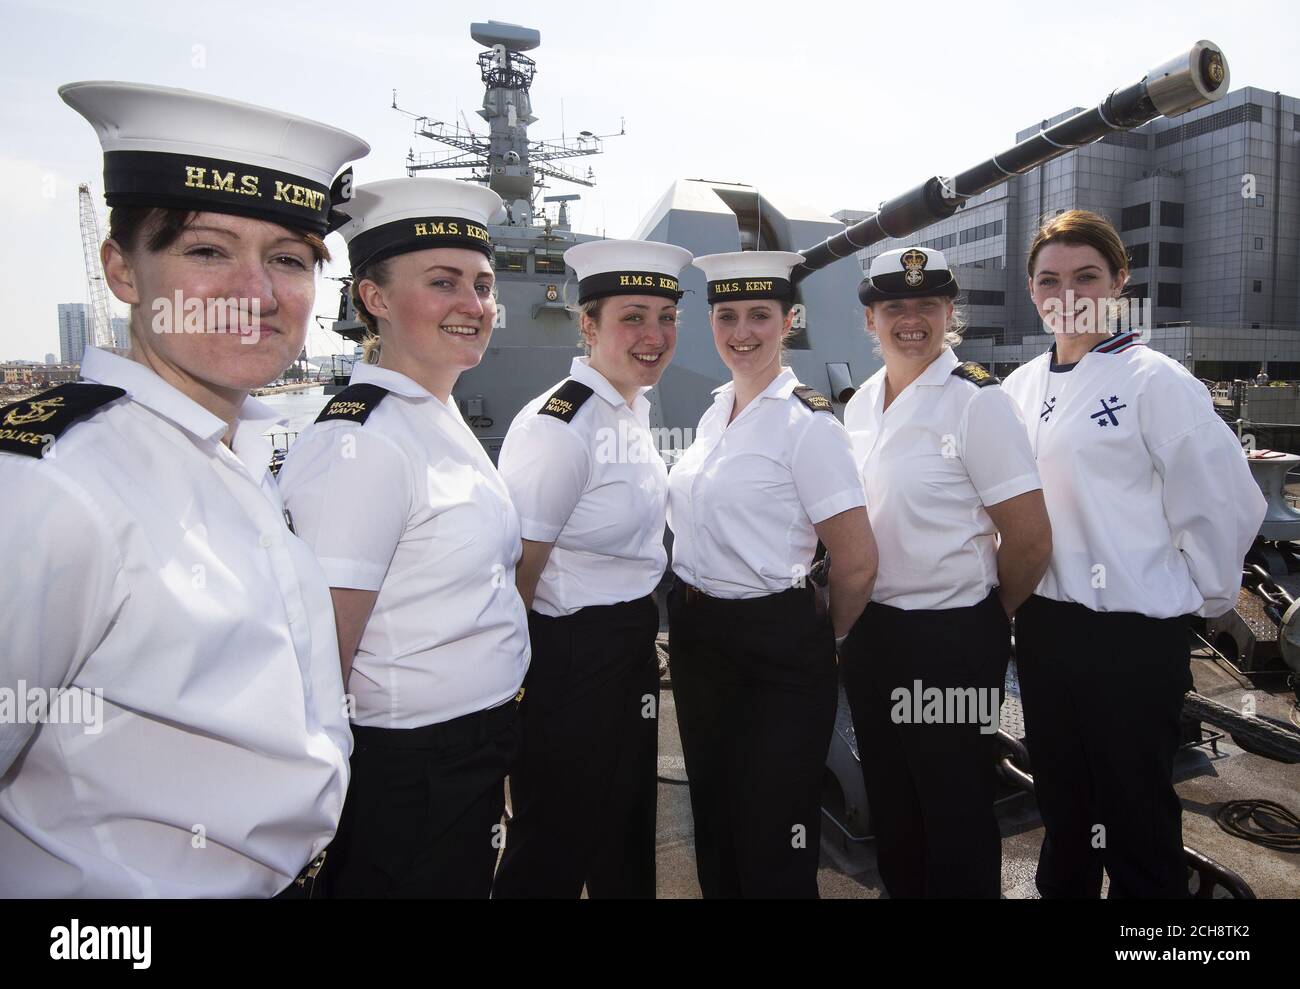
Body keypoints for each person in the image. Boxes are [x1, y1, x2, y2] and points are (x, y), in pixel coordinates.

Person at [0, 81, 368, 897]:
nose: (260, 294)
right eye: (207, 251)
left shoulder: (231, 454)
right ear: (120, 270)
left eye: (289, 258)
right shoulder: (54, 487)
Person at [1001, 209, 1267, 898]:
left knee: (1137, 820)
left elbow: (1226, 503)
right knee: (1063, 811)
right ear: (1033, 292)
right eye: (1050, 279)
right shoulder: (1020, 388)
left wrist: (1195, 596)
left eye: (1087, 275)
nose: (1069, 293)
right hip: (1045, 628)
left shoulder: (1156, 381)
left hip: (1129, 636)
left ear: (1120, 279)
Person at [276, 177, 529, 898]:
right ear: (374, 299)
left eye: (482, 285)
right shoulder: (366, 444)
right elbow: (322, 658)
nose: (474, 306)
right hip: (409, 771)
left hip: (462, 757)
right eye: (443, 282)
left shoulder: (432, 416)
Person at [840, 246, 1053, 898]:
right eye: (895, 306)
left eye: (926, 305)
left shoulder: (975, 402)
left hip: (950, 638)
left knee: (953, 810)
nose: (912, 319)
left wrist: (986, 617)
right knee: (893, 805)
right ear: (870, 318)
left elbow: (1028, 539)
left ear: (948, 313)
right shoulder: (859, 406)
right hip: (873, 634)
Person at [665, 251, 877, 898]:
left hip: (777, 643)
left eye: (761, 314)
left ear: (790, 321)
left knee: (775, 827)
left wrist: (819, 639)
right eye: (727, 315)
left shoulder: (807, 423)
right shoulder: (713, 412)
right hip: (700, 635)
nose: (742, 330)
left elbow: (857, 558)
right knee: (716, 812)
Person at [492, 239, 691, 898]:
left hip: (626, 648)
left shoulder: (628, 409)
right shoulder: (562, 425)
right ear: (589, 323)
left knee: (625, 833)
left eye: (666, 315)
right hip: (570, 662)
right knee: (553, 841)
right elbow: (516, 576)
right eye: (633, 316)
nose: (655, 334)